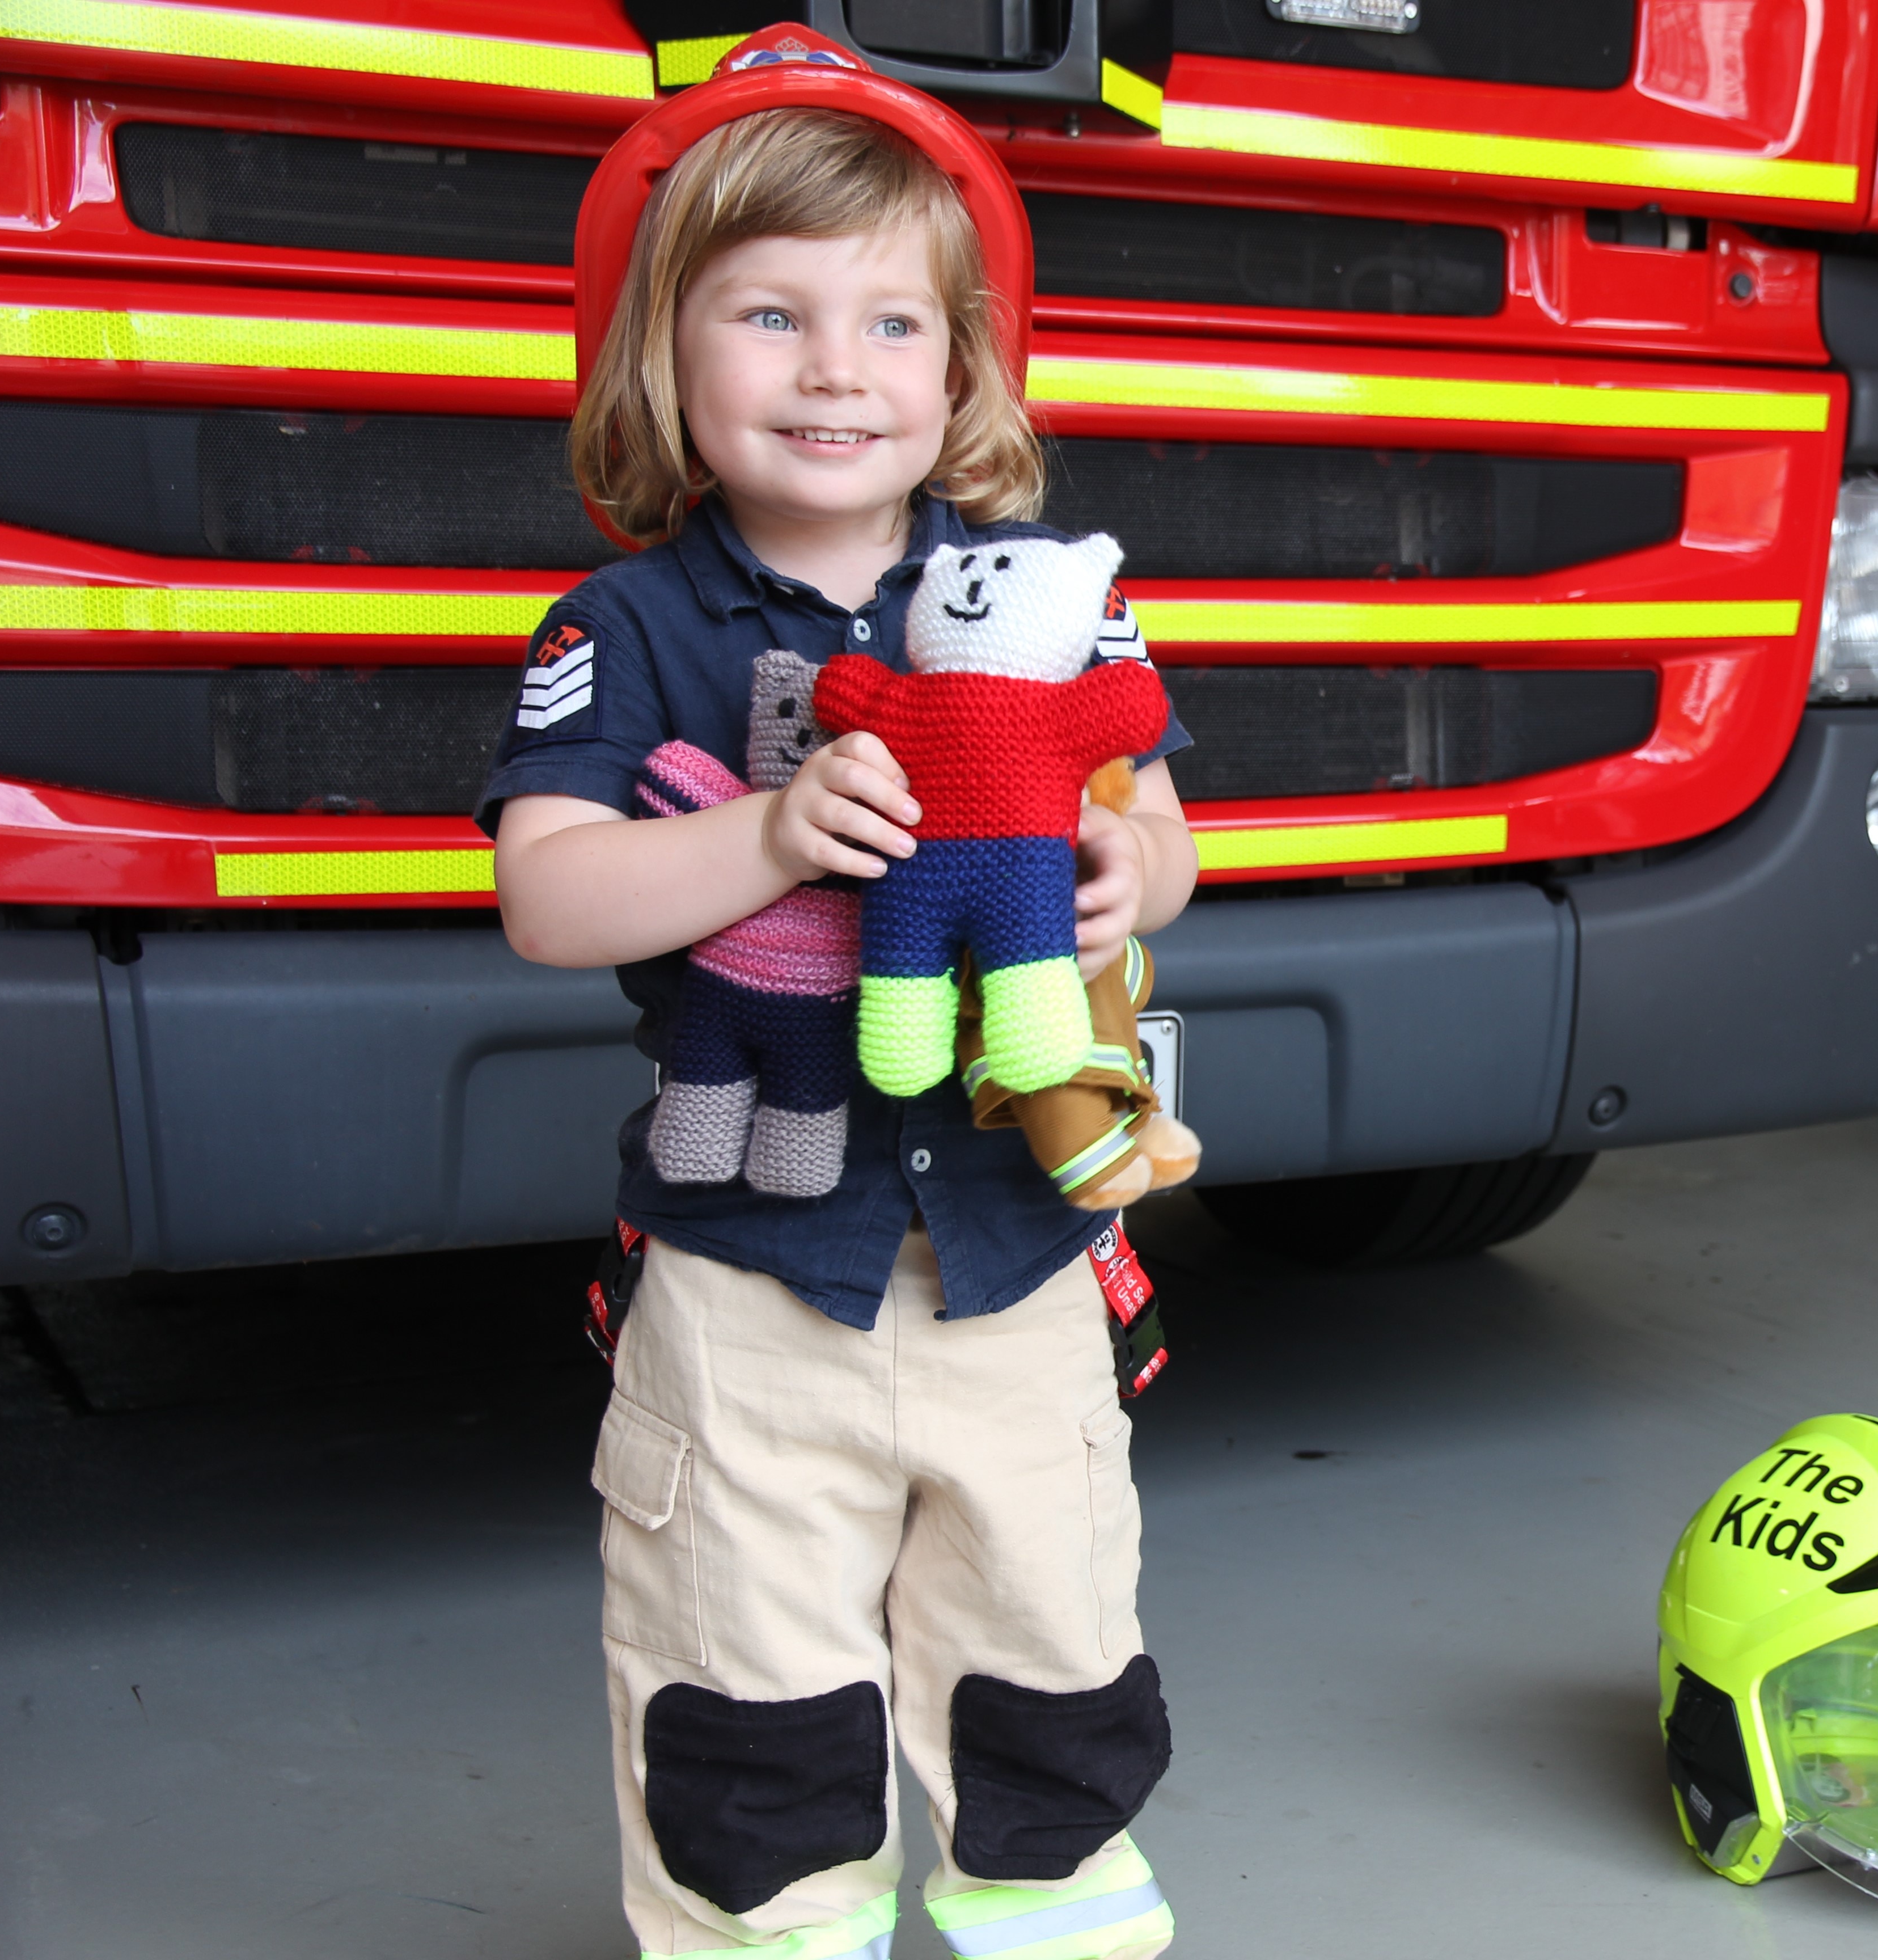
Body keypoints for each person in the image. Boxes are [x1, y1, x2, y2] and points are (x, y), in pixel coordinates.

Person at [478, 56, 1196, 1960]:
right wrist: (778, 835)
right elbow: (548, 896)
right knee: (745, 1681)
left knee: (1052, 1646)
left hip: (1014, 1257)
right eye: (770, 314)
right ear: (664, 361)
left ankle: (1057, 1922)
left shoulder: (1042, 595)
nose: (834, 368)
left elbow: (1162, 825)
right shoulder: (618, 630)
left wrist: (1139, 873)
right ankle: (771, 1936)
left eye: (895, 322)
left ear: (963, 372)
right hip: (744, 1278)